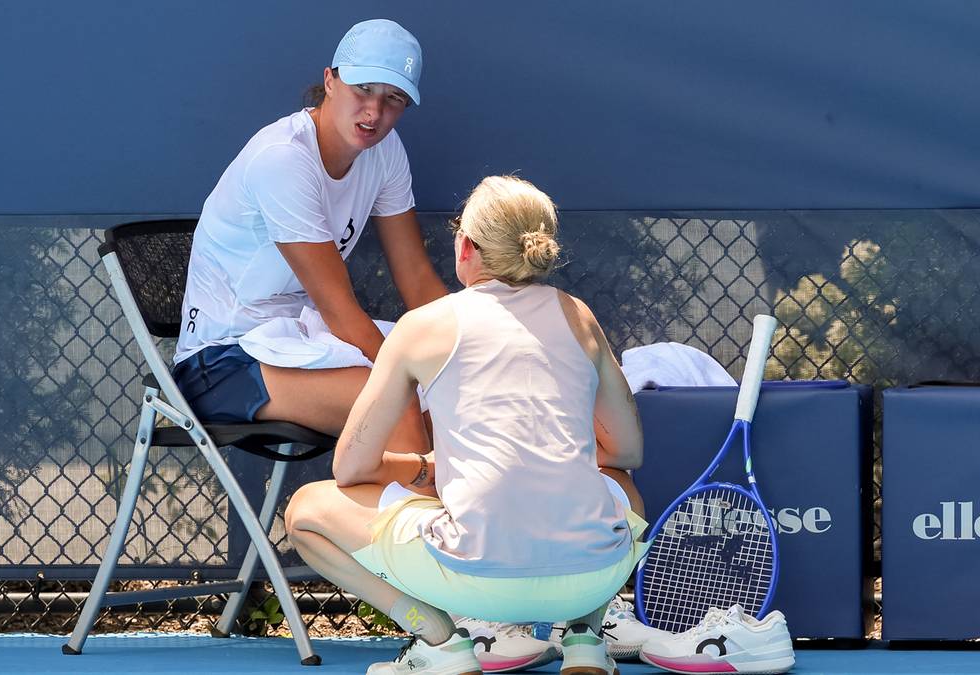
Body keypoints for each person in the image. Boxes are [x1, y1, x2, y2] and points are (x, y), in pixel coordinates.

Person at [285, 175, 649, 675]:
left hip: (468, 577)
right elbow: (627, 452)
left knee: (306, 510)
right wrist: (554, 461)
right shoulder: (579, 316)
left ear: (466, 246)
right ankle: (586, 639)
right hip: (591, 578)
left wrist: (420, 469)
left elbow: (350, 468)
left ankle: (440, 642)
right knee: (623, 491)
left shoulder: (422, 325)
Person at [172, 19, 444, 488]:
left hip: (300, 338)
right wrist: (423, 373)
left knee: (444, 403)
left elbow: (417, 279)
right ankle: (417, 552)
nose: (374, 111)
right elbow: (340, 313)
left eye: (393, 99)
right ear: (330, 80)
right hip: (219, 363)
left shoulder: (386, 152)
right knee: (396, 397)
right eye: (363, 88)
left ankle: (445, 543)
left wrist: (477, 350)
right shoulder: (282, 159)